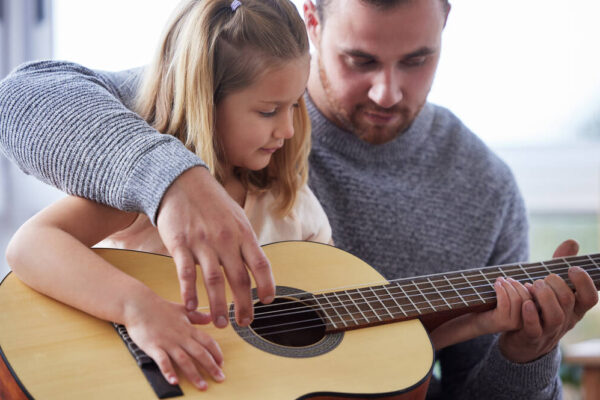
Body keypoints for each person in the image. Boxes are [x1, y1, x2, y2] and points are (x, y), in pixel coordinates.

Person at [0, 0, 597, 398]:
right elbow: (24, 97)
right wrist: (171, 180)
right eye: (359, 60)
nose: (387, 90)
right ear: (313, 19)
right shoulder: (226, 74)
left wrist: (521, 350)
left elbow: (366, 368)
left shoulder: (303, 198)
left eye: (417, 60)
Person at [4, 0, 333, 390]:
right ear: (204, 100)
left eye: (294, 106)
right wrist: (136, 307)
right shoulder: (150, 194)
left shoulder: (293, 205)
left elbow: (327, 309)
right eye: (267, 111)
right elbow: (29, 246)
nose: (288, 129)